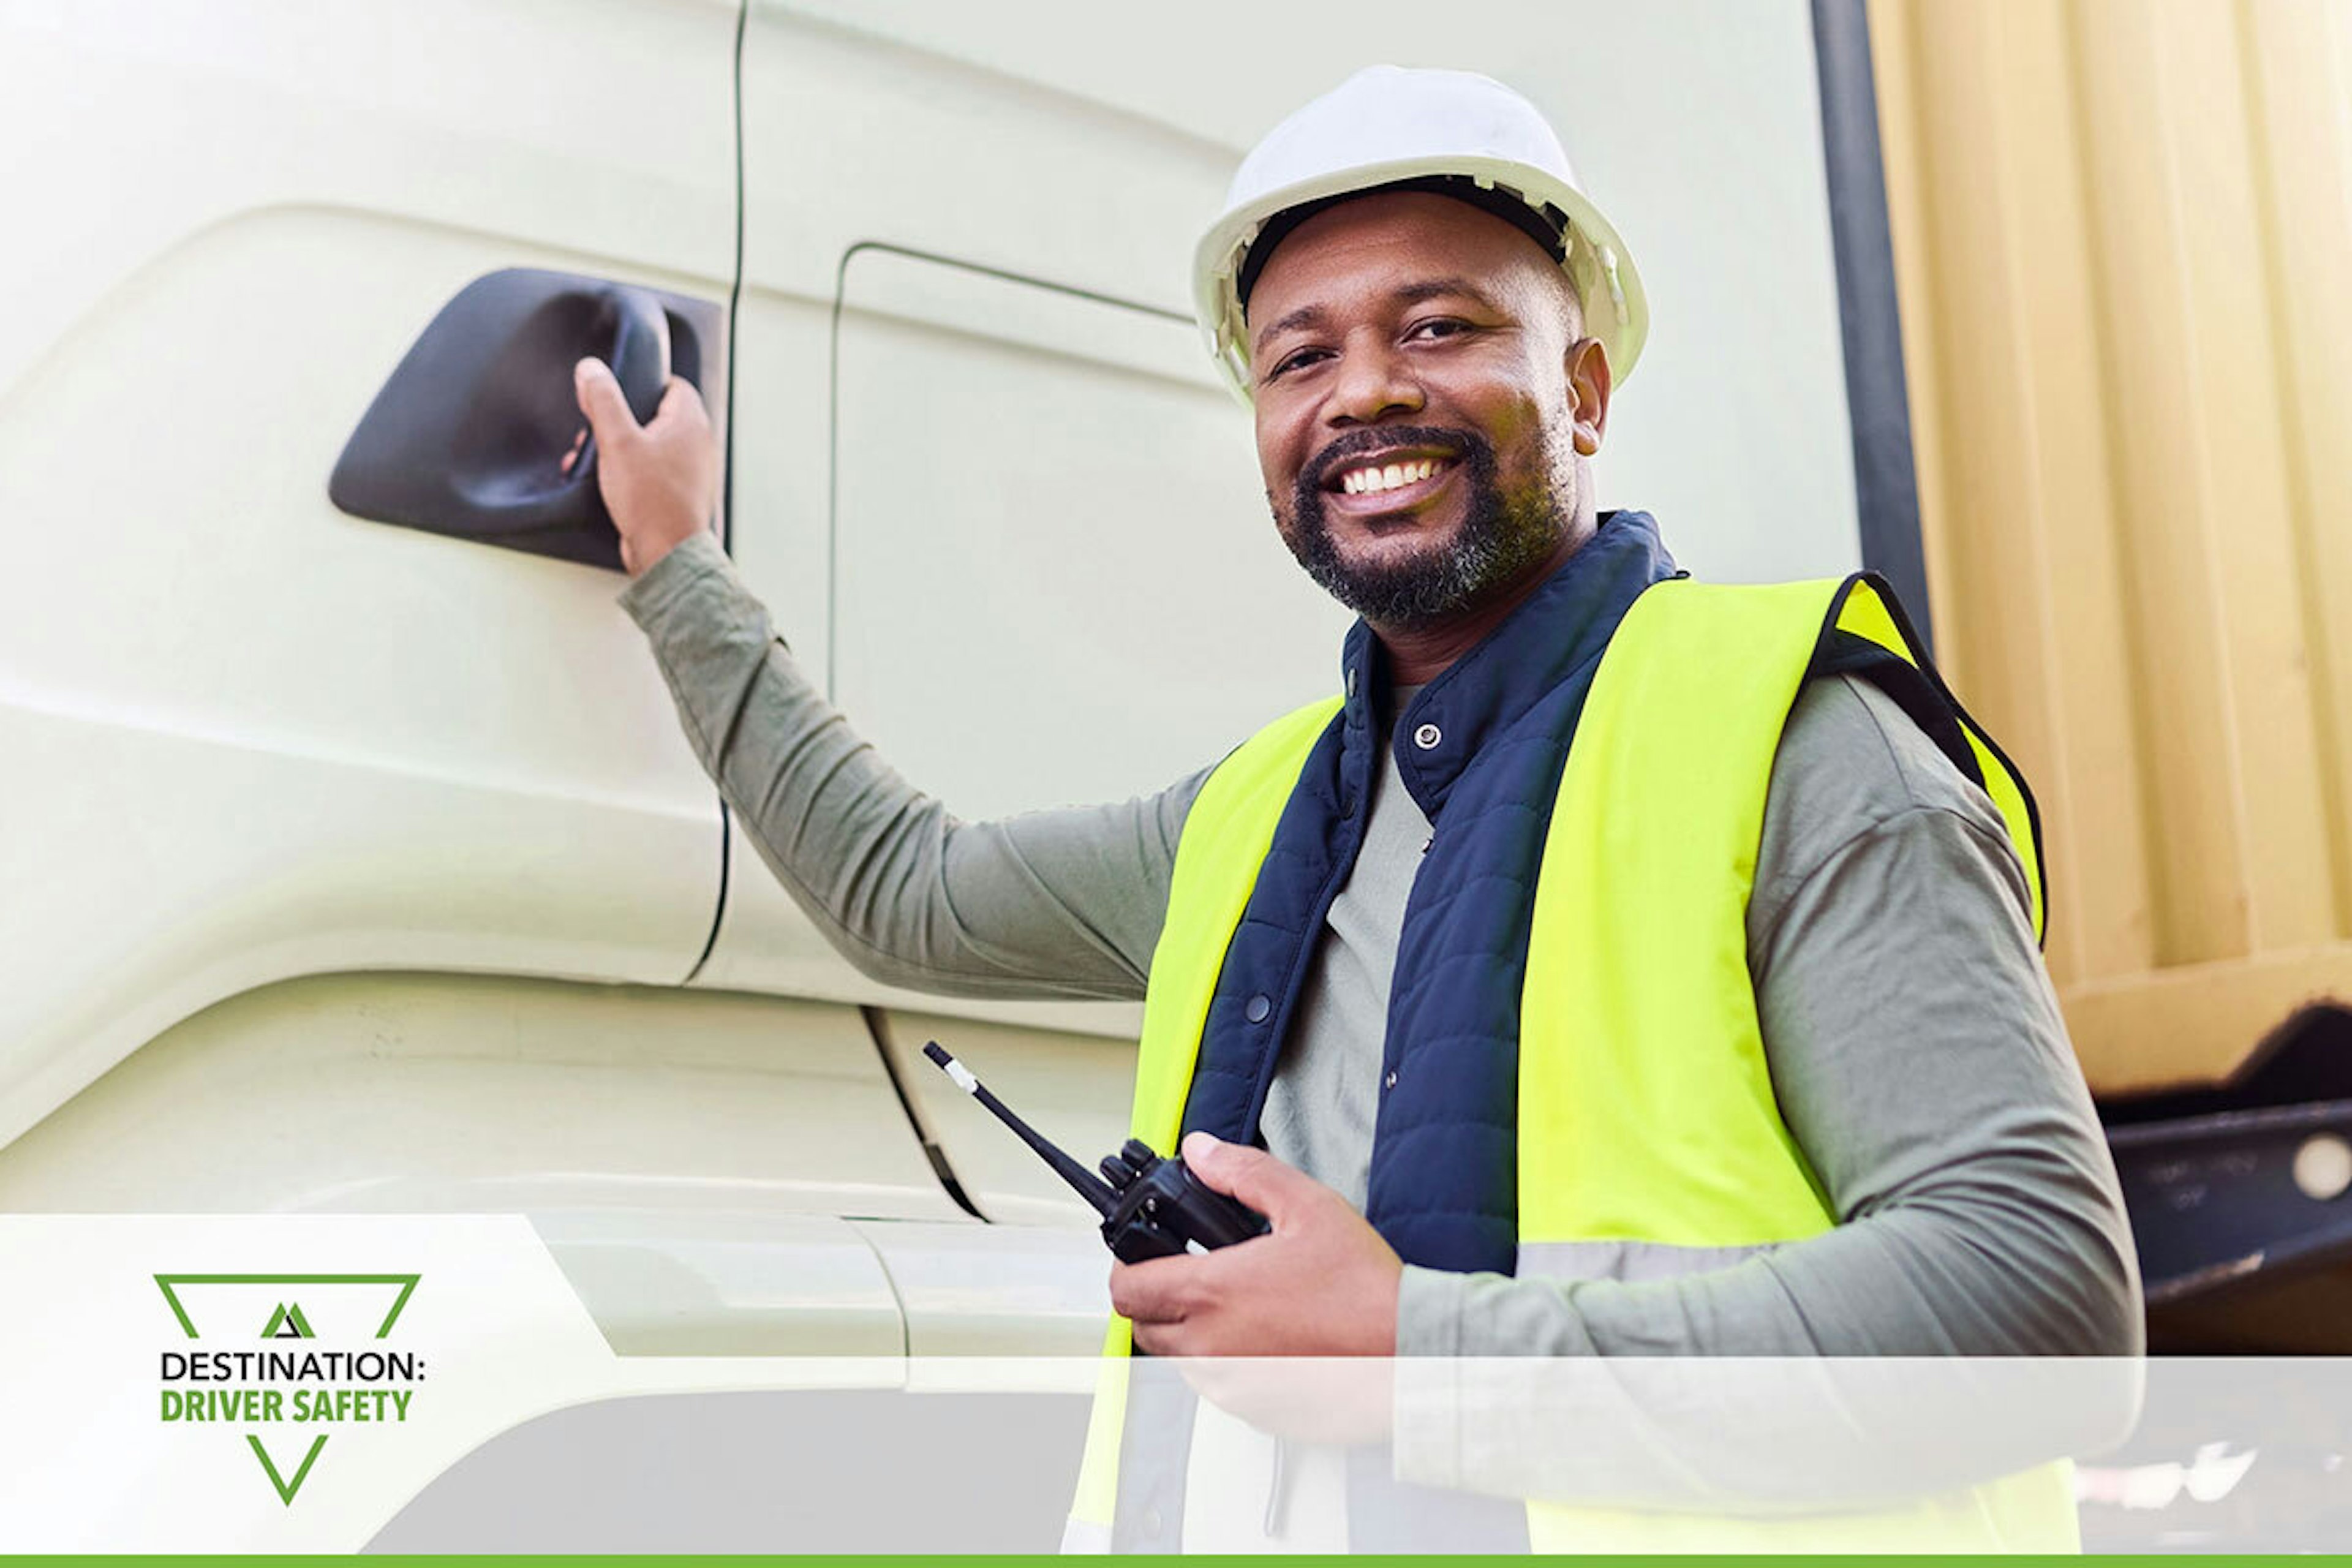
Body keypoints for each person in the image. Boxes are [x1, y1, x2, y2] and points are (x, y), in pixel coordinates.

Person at [572, 66, 2140, 1549]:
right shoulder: (1252, 817)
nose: (1365, 392)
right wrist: (674, 566)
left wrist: (1419, 1348)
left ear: (1583, 389)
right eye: (1300, 356)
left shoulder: (1798, 742)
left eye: (1441, 325)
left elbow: (2041, 1301)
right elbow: (904, 887)